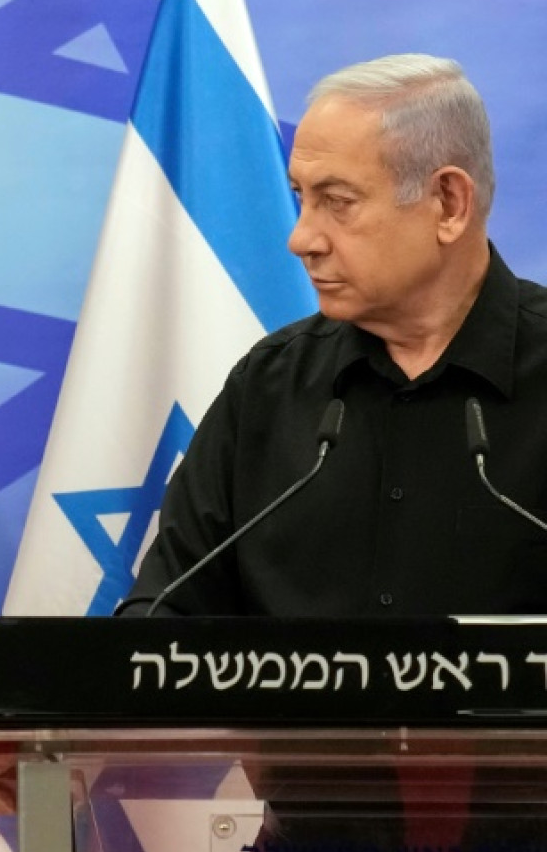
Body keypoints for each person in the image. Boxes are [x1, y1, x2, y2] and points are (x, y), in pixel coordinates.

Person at [117, 53, 547, 618]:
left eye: (337, 202)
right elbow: (160, 618)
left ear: (448, 203)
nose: (301, 239)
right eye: (301, 196)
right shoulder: (267, 386)